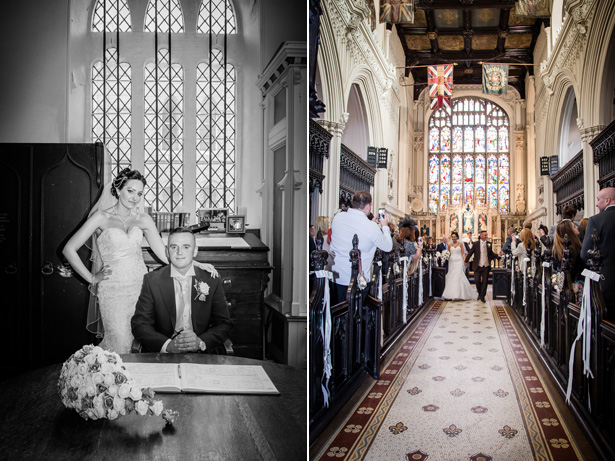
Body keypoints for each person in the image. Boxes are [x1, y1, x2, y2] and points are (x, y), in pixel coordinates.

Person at [63, 168, 170, 353]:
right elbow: (68, 249)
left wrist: (194, 264)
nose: (135, 197)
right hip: (113, 292)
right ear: (118, 190)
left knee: (141, 341)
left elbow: (163, 253)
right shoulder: (101, 217)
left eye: (139, 193)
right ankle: (105, 375)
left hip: (140, 288)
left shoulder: (144, 219)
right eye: (130, 191)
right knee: (120, 342)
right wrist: (91, 278)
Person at [131, 228, 233, 353]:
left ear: (195, 251)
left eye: (186, 247)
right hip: (164, 354)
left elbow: (224, 324)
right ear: (167, 252)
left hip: (201, 353)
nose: (179, 252)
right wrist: (167, 345)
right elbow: (140, 325)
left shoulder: (211, 280)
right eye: (174, 247)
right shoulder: (152, 280)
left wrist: (200, 342)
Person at [330, 191, 393, 304]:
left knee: (338, 313)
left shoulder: (337, 218)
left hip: (336, 279)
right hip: (358, 284)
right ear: (368, 206)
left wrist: (370, 223)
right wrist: (385, 226)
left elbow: (354, 228)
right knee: (354, 317)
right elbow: (388, 247)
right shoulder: (371, 227)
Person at [581, 187, 615, 309]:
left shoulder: (596, 220)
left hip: (607, 283)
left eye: (598, 200)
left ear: (607, 200)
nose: (596, 204)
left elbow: (585, 254)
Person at [552, 221, 585, 297]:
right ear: (569, 231)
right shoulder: (572, 248)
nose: (577, 227)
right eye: (574, 227)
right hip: (575, 284)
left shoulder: (559, 249)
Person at [465, 230, 498, 302]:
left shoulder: (489, 244)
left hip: (486, 265)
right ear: (481, 236)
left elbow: (491, 253)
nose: (486, 236)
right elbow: (470, 252)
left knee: (485, 281)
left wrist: (498, 255)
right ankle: (480, 293)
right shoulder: (476, 244)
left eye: (486, 235)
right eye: (485, 235)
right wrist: (466, 261)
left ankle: (482, 296)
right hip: (477, 265)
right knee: (477, 280)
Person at [441, 231, 475, 301]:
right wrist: (445, 258)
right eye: (452, 237)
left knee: (459, 275)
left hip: (459, 261)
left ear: (457, 237)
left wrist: (465, 261)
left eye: (455, 237)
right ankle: (451, 294)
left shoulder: (461, 244)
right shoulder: (449, 245)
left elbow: (462, 253)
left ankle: (460, 294)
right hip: (452, 261)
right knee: (452, 275)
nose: (453, 238)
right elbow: (448, 253)